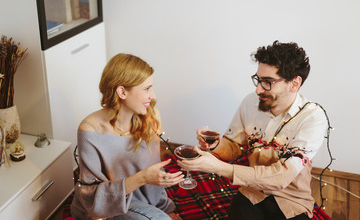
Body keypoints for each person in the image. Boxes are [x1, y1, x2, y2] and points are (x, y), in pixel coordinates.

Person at [178, 41, 328, 220]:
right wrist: (217, 145)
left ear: (294, 83)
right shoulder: (251, 103)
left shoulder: (313, 118)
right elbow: (234, 147)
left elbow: (281, 177)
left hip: (292, 200)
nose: (258, 89)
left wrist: (219, 168)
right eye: (258, 80)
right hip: (252, 192)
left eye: (268, 82)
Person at [70, 53, 184, 220]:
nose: (153, 96)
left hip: (144, 204)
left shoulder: (152, 117)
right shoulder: (91, 129)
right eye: (146, 89)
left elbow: (153, 172)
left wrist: (164, 208)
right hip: (108, 207)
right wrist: (143, 178)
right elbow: (90, 195)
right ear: (122, 92)